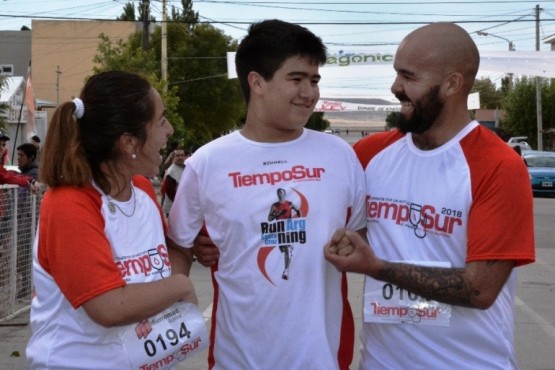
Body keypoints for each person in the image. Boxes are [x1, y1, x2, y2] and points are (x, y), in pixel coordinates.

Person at [324, 22, 535, 369]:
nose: (395, 87)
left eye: (409, 76)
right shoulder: (369, 154)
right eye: (396, 74)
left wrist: (377, 268)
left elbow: (480, 289)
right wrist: (216, 242)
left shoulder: (499, 166)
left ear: (452, 84)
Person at [167, 19, 367, 369]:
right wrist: (171, 305)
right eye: (296, 79)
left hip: (323, 358)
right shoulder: (208, 163)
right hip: (237, 360)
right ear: (256, 82)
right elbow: (179, 248)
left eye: (315, 80)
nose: (309, 92)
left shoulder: (340, 156)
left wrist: (352, 246)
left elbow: (360, 234)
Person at [26, 71, 205, 370]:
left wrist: (192, 245)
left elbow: (165, 262)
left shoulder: (143, 191)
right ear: (129, 143)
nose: (170, 130)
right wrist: (179, 287)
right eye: (161, 121)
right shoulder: (69, 203)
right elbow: (108, 306)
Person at [161, 147, 186, 216]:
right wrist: (180, 203)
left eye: (182, 155)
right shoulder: (172, 171)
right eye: (177, 155)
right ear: (173, 157)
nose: (180, 157)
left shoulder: (184, 167)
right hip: (174, 206)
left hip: (181, 205)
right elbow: (169, 191)